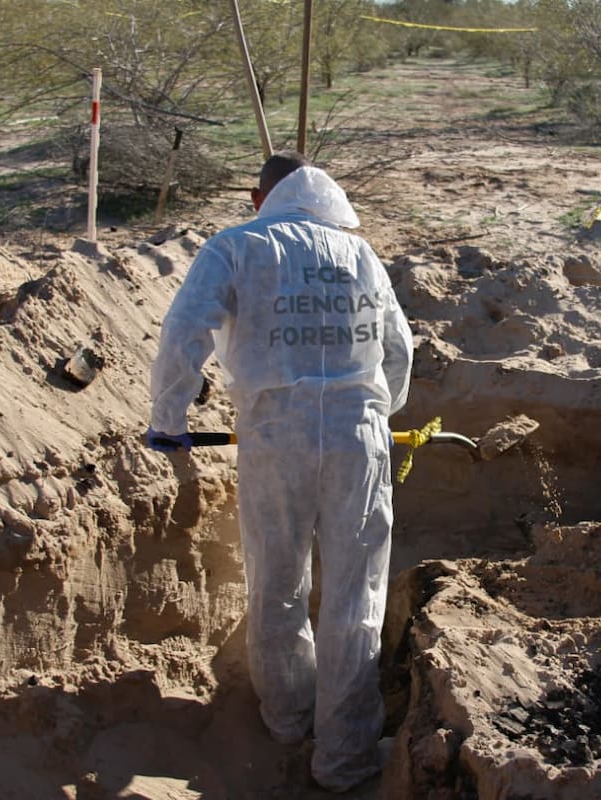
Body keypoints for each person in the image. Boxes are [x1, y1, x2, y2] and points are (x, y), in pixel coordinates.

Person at [146, 151, 413, 792]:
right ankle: (344, 755)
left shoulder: (237, 246)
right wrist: (378, 410)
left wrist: (168, 418)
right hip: (357, 436)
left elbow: (186, 329)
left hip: (275, 434)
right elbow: (398, 351)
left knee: (277, 581)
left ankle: (288, 721)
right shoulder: (360, 255)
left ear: (259, 198)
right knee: (356, 594)